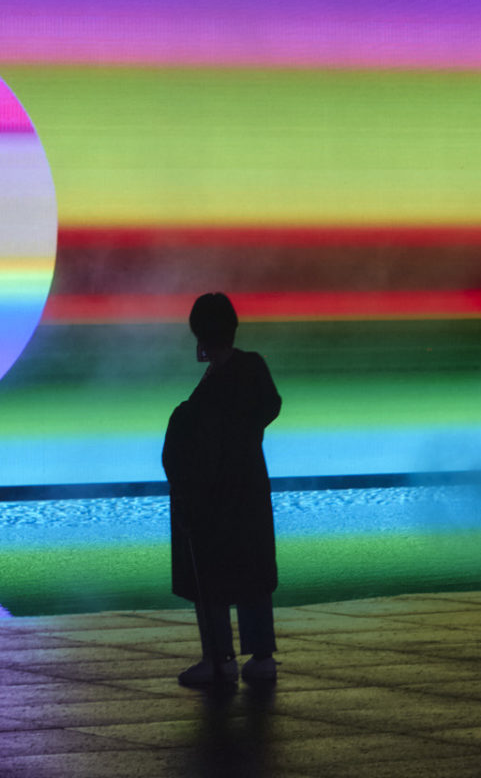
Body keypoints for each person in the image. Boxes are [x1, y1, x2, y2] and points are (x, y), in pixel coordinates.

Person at [162, 291, 282, 688]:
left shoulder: (211, 387)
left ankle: (219, 656)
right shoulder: (252, 369)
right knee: (251, 568)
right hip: (248, 485)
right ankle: (261, 654)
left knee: (210, 571)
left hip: (213, 492)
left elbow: (195, 436)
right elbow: (269, 407)